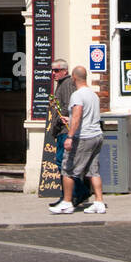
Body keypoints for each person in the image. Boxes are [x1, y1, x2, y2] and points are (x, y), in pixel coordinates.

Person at [49, 65, 106, 215]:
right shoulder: (93, 95)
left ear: (74, 78)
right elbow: (86, 116)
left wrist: (69, 137)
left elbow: (78, 115)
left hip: (84, 137)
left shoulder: (77, 95)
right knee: (94, 171)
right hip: (97, 135)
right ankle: (99, 202)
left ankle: (67, 203)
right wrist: (69, 118)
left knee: (67, 168)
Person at [48, 59, 90, 209]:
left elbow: (67, 106)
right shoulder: (61, 84)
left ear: (65, 71)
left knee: (63, 163)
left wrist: (59, 118)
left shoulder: (66, 84)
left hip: (65, 129)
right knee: (64, 164)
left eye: (57, 70)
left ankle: (77, 192)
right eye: (52, 71)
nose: (54, 73)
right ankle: (72, 194)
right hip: (61, 130)